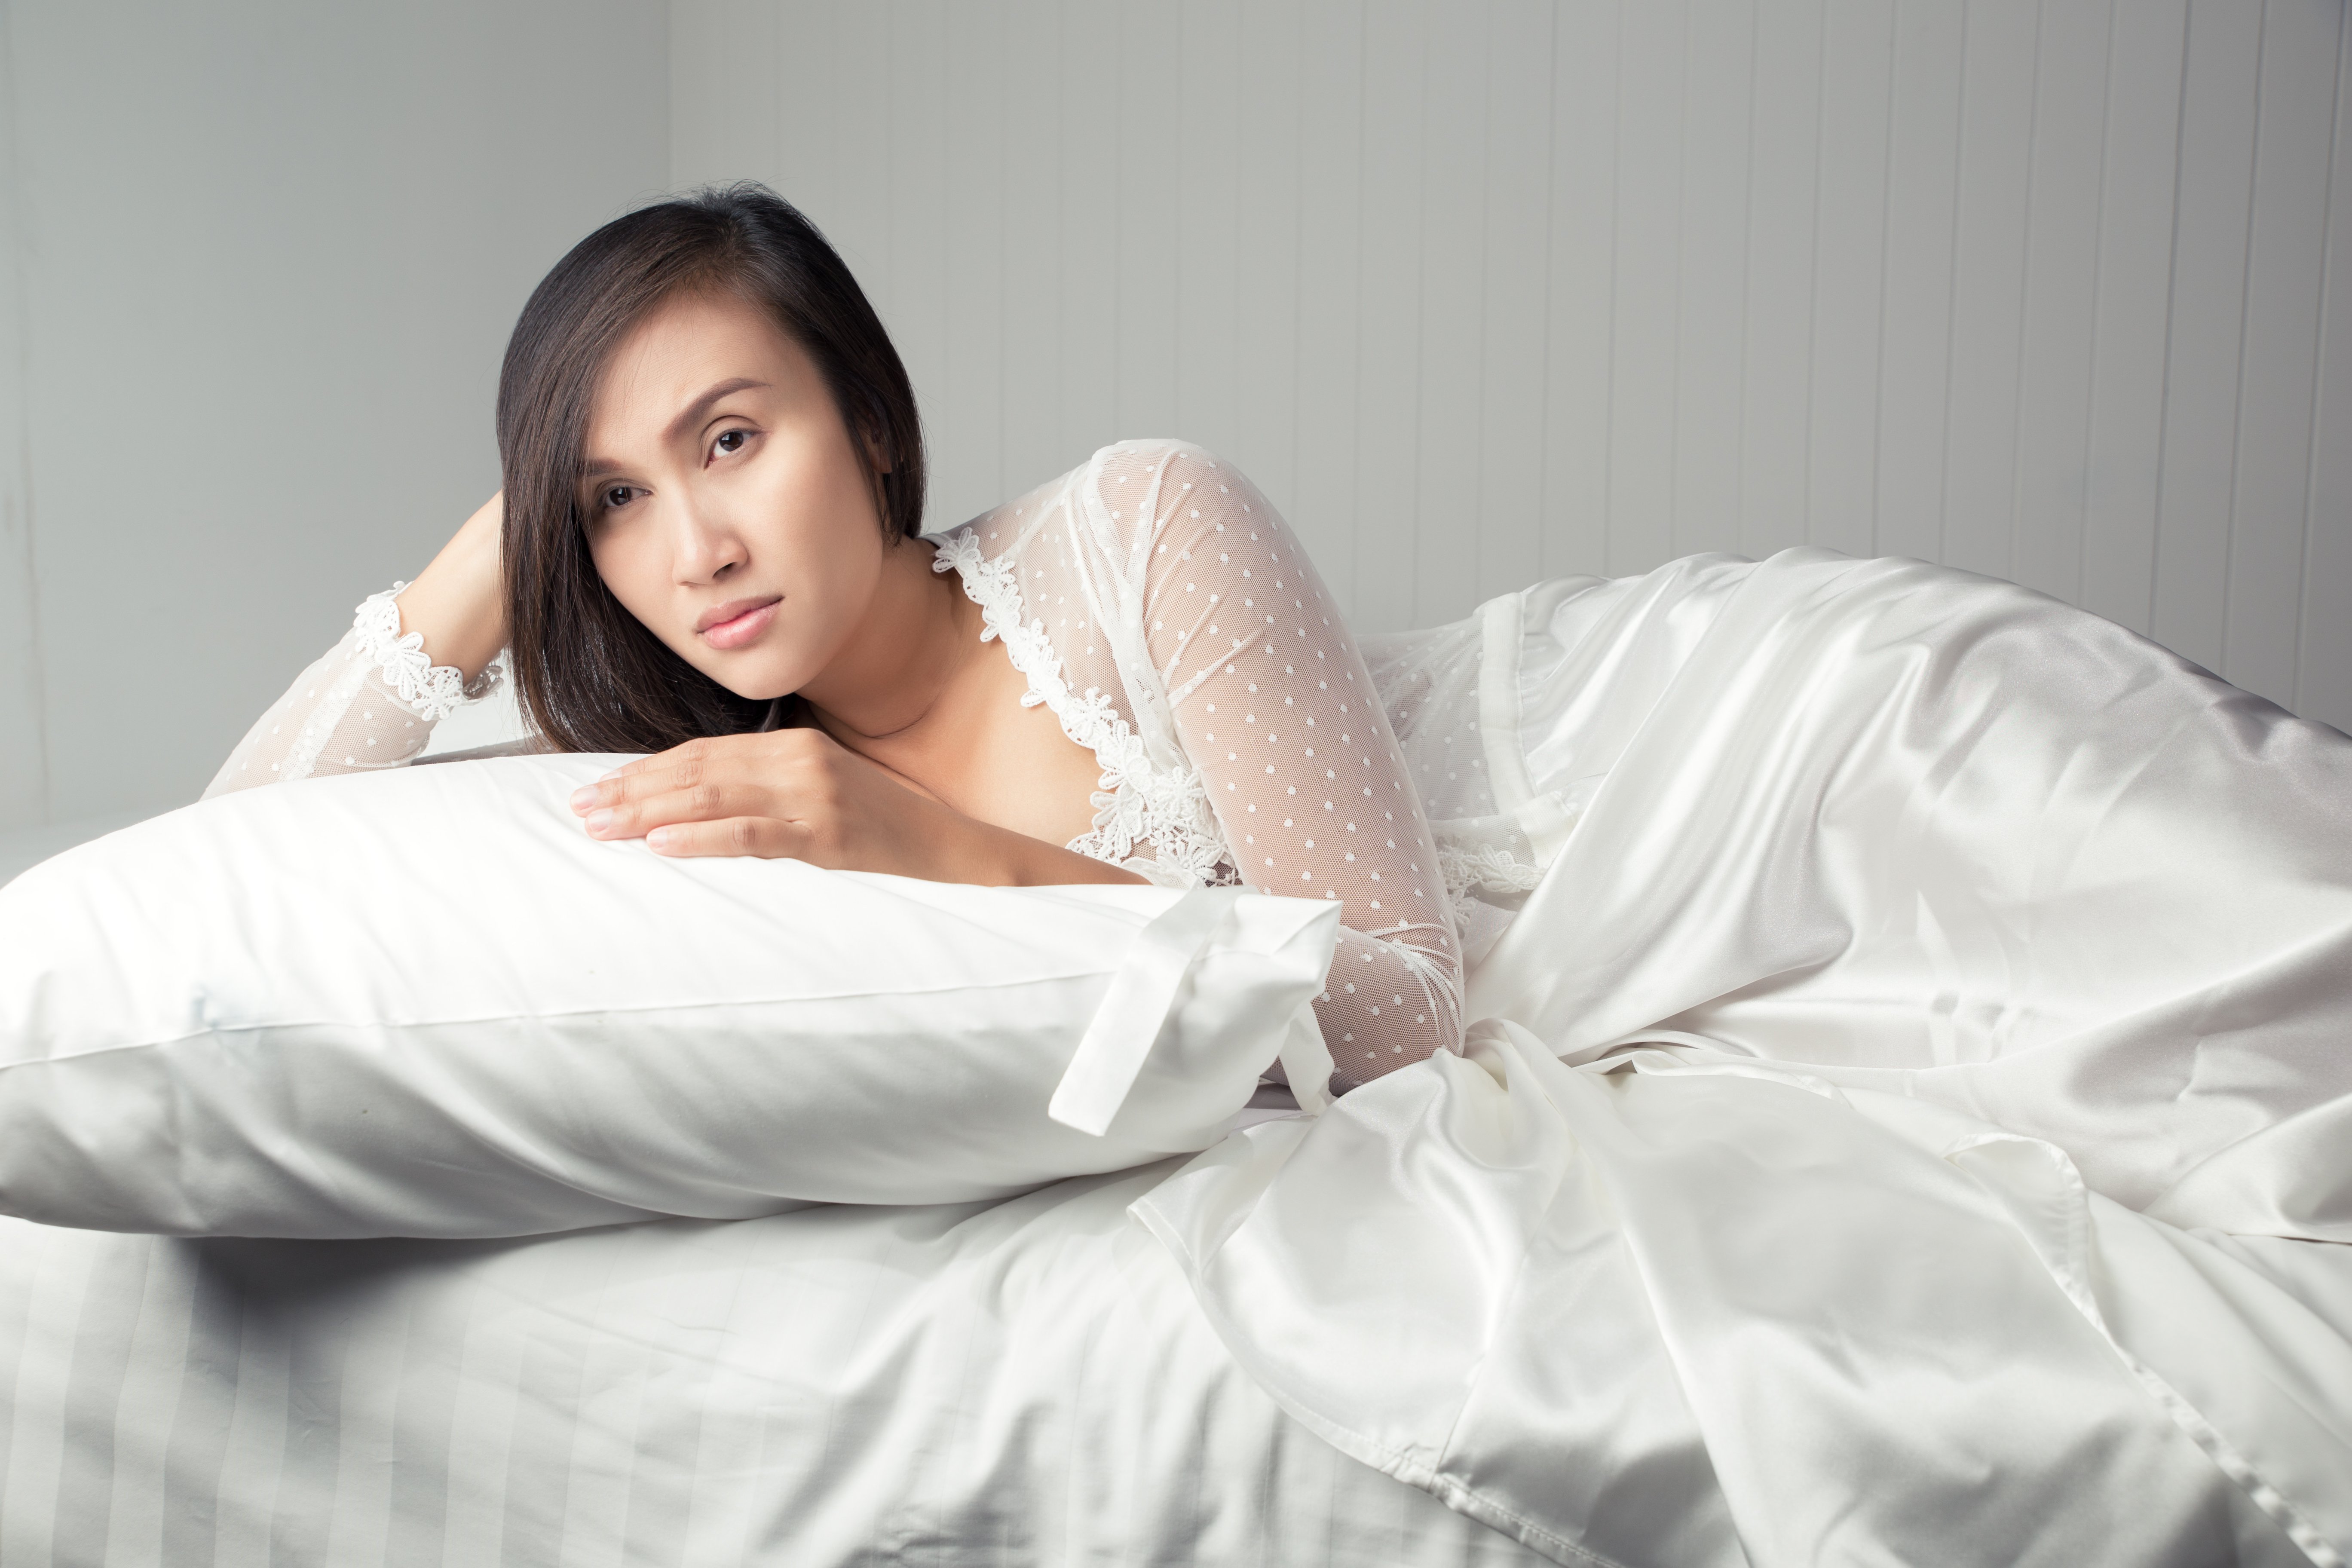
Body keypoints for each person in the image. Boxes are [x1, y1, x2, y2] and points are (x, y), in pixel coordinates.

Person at [207, 182, 1484, 1084]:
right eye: (617, 500)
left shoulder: (1142, 533)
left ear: (870, 419)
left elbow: (1413, 1020)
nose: (698, 551)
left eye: (730, 440)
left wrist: (938, 851)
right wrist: (502, 540)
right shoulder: (667, 760)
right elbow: (227, 854)